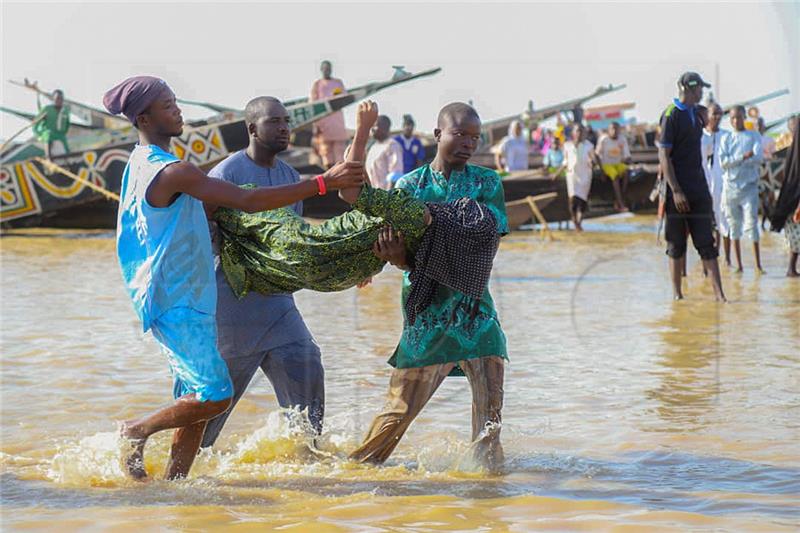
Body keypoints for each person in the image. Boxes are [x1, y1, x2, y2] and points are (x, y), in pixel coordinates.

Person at [102, 76, 365, 481]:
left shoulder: (139, 163)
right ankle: (136, 431)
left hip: (183, 292)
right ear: (143, 117)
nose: (178, 111)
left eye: (175, 103)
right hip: (184, 297)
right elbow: (245, 200)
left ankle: (174, 484)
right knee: (214, 395)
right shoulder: (174, 171)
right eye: (168, 106)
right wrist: (323, 183)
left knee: (198, 393)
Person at [349, 102, 509, 472]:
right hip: (428, 314)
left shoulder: (487, 183)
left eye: (475, 137)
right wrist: (393, 257)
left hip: (475, 312)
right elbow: (401, 248)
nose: (469, 143)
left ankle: (488, 496)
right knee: (396, 416)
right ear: (437, 135)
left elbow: (483, 241)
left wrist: (421, 240)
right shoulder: (409, 187)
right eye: (460, 134)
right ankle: (351, 479)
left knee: (490, 426)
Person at [200, 96, 327, 450]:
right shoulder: (227, 173)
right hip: (234, 305)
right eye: (275, 121)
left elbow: (291, 237)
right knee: (214, 402)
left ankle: (309, 460)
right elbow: (205, 236)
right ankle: (184, 475)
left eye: (287, 121)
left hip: (278, 303)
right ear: (252, 129)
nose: (285, 127)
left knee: (306, 364)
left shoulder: (289, 176)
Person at [658, 72, 726, 301]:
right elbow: (664, 157)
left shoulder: (696, 114)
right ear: (689, 88)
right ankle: (677, 296)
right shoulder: (670, 115)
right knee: (676, 244)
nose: (702, 94)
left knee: (706, 242)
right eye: (699, 90)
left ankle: (720, 296)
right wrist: (676, 190)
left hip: (698, 188)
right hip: (678, 191)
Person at [720, 105, 765, 273]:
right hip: (730, 187)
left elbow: (758, 157)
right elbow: (723, 163)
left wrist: (737, 161)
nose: (736, 121)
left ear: (744, 117)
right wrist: (743, 157)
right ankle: (739, 265)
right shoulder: (726, 138)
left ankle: (758, 265)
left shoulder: (754, 135)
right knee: (734, 226)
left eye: (739, 117)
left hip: (749, 187)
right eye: (733, 118)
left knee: (752, 225)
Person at [768, 116, 800, 277]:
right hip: (796, 203)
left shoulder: (792, 150)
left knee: (795, 240)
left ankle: (791, 269)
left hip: (790, 200)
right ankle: (791, 269)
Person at [701, 102, 731, 265]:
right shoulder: (700, 137)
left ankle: (727, 258)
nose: (717, 117)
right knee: (708, 223)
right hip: (705, 185)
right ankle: (710, 258)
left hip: (724, 185)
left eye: (720, 114)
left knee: (725, 221)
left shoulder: (727, 136)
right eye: (714, 114)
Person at [558, 123, 598, 232]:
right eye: (577, 131)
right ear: (573, 133)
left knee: (582, 200)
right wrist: (557, 173)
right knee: (572, 199)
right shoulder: (567, 145)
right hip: (572, 174)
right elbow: (565, 161)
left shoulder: (588, 145)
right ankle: (575, 221)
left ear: (585, 133)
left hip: (585, 174)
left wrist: (592, 162)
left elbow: (593, 158)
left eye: (581, 131)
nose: (579, 133)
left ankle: (579, 223)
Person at [310, 60, 349, 168]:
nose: (327, 70)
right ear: (321, 70)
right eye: (325, 68)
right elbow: (313, 105)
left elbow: (345, 98)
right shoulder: (317, 85)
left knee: (340, 155)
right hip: (323, 124)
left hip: (337, 123)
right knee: (326, 155)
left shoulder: (338, 83)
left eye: (329, 68)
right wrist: (315, 125)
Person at [596, 121, 632, 212]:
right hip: (606, 165)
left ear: (620, 130)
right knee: (615, 176)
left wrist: (628, 160)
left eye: (616, 129)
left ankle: (618, 199)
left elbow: (627, 155)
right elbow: (597, 155)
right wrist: (601, 170)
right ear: (608, 130)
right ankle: (621, 204)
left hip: (618, 163)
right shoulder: (603, 139)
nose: (614, 131)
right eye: (612, 129)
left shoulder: (622, 139)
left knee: (626, 172)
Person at [365, 115, 404, 189]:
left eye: (375, 126)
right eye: (372, 126)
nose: (372, 129)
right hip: (373, 194)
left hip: (384, 195)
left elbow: (395, 175)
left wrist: (387, 198)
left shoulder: (392, 146)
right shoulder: (373, 147)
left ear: (385, 128)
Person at [32, 89, 70, 159]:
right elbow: (35, 124)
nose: (59, 101)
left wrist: (63, 132)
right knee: (49, 135)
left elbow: (67, 124)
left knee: (67, 149)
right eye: (57, 98)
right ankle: (48, 158)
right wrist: (39, 136)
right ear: (53, 99)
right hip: (47, 134)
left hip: (60, 135)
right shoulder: (47, 109)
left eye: (61, 99)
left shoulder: (65, 110)